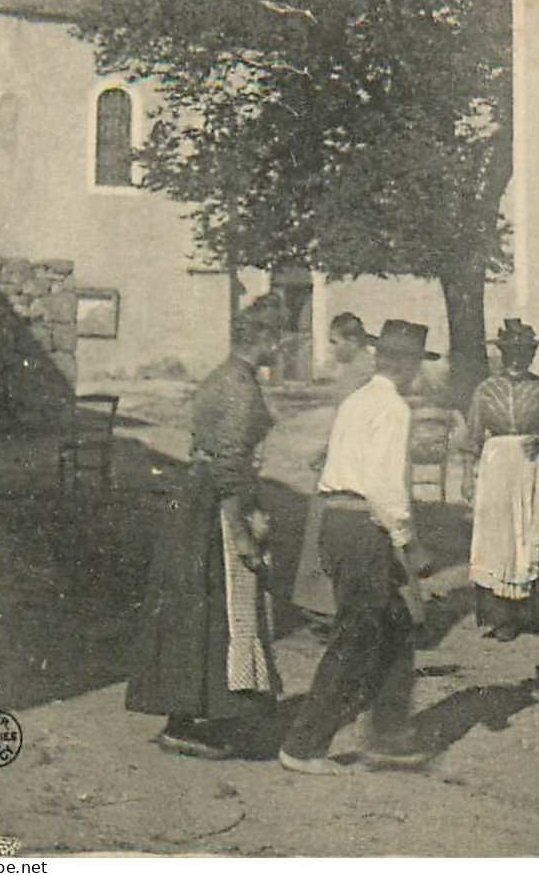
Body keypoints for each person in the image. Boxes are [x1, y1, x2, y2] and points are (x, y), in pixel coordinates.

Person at [126, 298, 286, 759]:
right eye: (278, 337)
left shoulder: (220, 377)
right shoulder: (240, 388)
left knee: (194, 610)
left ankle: (191, 717)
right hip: (215, 506)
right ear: (266, 339)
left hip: (194, 496)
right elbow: (228, 466)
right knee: (218, 607)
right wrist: (240, 534)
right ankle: (199, 720)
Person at [279, 320, 440, 775]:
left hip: (337, 520)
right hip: (363, 527)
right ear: (406, 365)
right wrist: (410, 544)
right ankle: (303, 744)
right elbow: (385, 487)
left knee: (395, 623)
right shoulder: (393, 408)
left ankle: (388, 734)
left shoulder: (356, 400)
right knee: (355, 637)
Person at [459, 319, 539, 641]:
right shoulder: (486, 390)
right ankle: (502, 617)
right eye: (510, 353)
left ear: (531, 356)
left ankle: (532, 613)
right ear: (501, 354)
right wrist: (467, 477)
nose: (516, 360)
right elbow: (472, 436)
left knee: (526, 532)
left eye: (523, 353)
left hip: (531, 467)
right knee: (497, 537)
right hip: (496, 468)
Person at [292, 312, 378, 617]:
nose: (331, 349)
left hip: (351, 460)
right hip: (340, 452)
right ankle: (324, 603)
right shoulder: (354, 369)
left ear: (353, 340)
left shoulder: (364, 372)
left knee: (330, 524)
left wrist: (330, 452)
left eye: (335, 342)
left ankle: (328, 605)